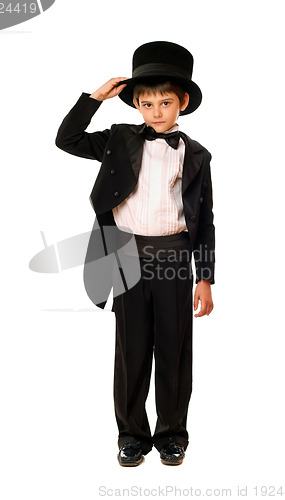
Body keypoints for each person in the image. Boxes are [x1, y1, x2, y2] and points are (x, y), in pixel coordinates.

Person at [55, 41, 215, 467]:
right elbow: (66, 139)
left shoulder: (196, 155)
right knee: (132, 348)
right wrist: (94, 99)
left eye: (165, 102)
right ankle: (131, 436)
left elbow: (206, 220)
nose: (156, 111)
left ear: (182, 102)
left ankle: (172, 436)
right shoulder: (118, 140)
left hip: (176, 255)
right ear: (136, 105)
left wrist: (205, 277)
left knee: (174, 348)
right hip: (125, 252)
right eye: (146, 103)